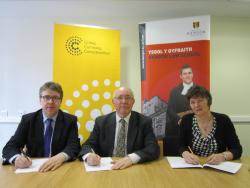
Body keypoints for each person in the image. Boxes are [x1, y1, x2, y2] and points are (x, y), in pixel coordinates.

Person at [2, 81, 80, 172]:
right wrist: (17, 158)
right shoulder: (28, 120)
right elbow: (10, 146)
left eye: (55, 98)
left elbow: (74, 146)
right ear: (40, 100)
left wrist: (61, 156)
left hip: (60, 168)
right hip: (34, 169)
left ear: (61, 101)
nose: (51, 102)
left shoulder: (70, 120)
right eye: (46, 97)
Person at [78, 87, 160, 170]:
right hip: (107, 168)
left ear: (133, 102)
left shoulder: (144, 122)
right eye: (120, 98)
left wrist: (131, 159)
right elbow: (87, 145)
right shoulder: (101, 122)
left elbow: (153, 149)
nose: (124, 101)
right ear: (113, 102)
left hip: (133, 168)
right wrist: (89, 156)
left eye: (128, 98)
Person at [179, 85, 242, 165]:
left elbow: (237, 149)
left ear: (208, 101)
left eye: (200, 101)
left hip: (218, 167)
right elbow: (181, 145)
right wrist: (185, 154)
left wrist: (223, 156)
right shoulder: (186, 120)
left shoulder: (223, 120)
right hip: (195, 166)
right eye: (193, 102)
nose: (196, 105)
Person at [164, 64, 194, 156]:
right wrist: (179, 119)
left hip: (195, 124)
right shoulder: (174, 90)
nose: (188, 75)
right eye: (185, 74)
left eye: (189, 73)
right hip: (178, 124)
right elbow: (170, 108)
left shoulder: (200, 90)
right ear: (181, 76)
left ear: (192, 74)